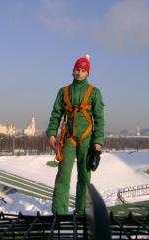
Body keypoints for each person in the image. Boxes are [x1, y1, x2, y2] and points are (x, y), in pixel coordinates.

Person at [46, 54, 105, 215]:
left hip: (87, 139)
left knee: (85, 177)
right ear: (73, 71)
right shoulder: (63, 92)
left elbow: (99, 119)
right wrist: (52, 133)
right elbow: (56, 114)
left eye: (83, 70)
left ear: (88, 73)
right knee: (63, 175)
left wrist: (97, 143)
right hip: (68, 139)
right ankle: (59, 212)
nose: (79, 73)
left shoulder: (94, 92)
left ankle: (82, 211)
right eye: (77, 70)